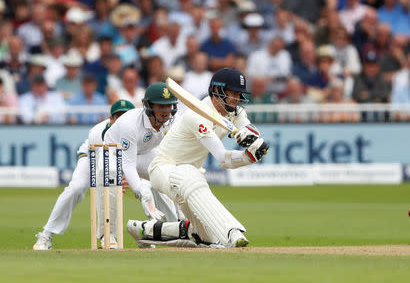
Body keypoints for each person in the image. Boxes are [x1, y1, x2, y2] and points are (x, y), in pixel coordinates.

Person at [127, 68, 269, 248]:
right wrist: (245, 157)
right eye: (234, 93)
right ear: (218, 91)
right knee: (188, 174)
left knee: (203, 236)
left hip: (192, 174)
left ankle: (142, 230)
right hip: (164, 168)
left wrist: (252, 146)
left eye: (240, 94)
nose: (238, 99)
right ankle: (232, 233)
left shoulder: (235, 112)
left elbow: (248, 129)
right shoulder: (197, 115)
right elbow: (222, 158)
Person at [33, 99, 135, 250]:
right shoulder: (99, 132)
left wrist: (124, 176)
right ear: (111, 118)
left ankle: (157, 232)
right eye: (118, 117)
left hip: (120, 160)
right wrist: (118, 178)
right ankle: (46, 235)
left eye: (126, 116)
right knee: (77, 187)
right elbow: (103, 170)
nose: (121, 121)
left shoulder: (136, 129)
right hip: (93, 155)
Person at [103, 82, 182, 231]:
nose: (166, 111)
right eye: (160, 106)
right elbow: (127, 164)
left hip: (143, 153)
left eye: (168, 106)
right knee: (114, 192)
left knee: (170, 178)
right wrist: (140, 191)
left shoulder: (175, 120)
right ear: (149, 106)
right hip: (113, 155)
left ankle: (177, 227)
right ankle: (108, 235)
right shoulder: (130, 123)